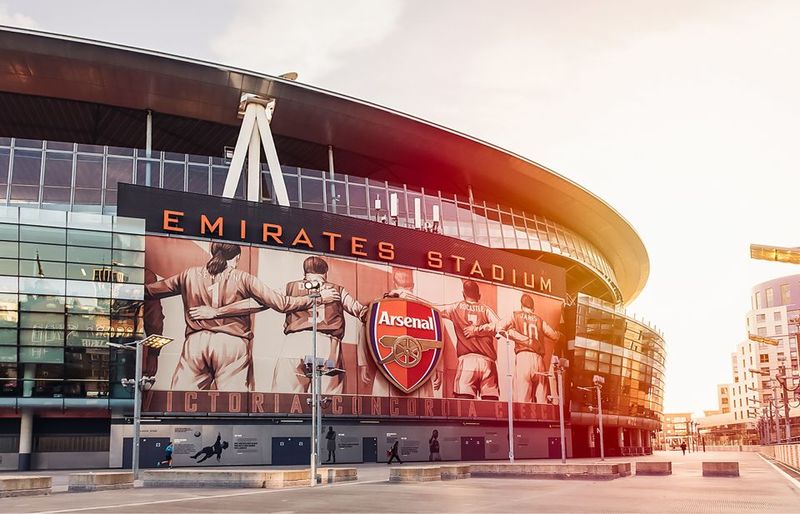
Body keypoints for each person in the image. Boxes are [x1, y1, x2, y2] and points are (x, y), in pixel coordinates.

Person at [146, 243, 338, 391]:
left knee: (182, 400)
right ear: (237, 257)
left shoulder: (189, 275)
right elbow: (282, 304)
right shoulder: (244, 278)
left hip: (195, 344)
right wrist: (318, 298)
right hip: (232, 344)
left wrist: (122, 287)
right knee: (232, 403)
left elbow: (150, 291)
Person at [273, 256, 367, 394]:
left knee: (285, 398)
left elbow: (270, 300)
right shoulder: (337, 290)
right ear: (325, 273)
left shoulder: (289, 286)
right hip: (327, 344)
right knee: (329, 401)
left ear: (305, 272)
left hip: (294, 343)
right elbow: (360, 311)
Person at [439, 280, 501, 400]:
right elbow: (500, 325)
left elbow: (435, 308)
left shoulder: (455, 307)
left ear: (463, 293)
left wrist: (405, 297)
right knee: (490, 404)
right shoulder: (485, 309)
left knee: (464, 402)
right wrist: (479, 329)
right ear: (479, 295)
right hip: (488, 362)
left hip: (468, 360)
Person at [497, 293, 562, 403]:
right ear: (533, 308)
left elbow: (500, 329)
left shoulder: (515, 315)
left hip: (523, 358)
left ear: (521, 306)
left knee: (523, 400)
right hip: (539, 360)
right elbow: (554, 336)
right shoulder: (539, 320)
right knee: (542, 399)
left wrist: (513, 334)